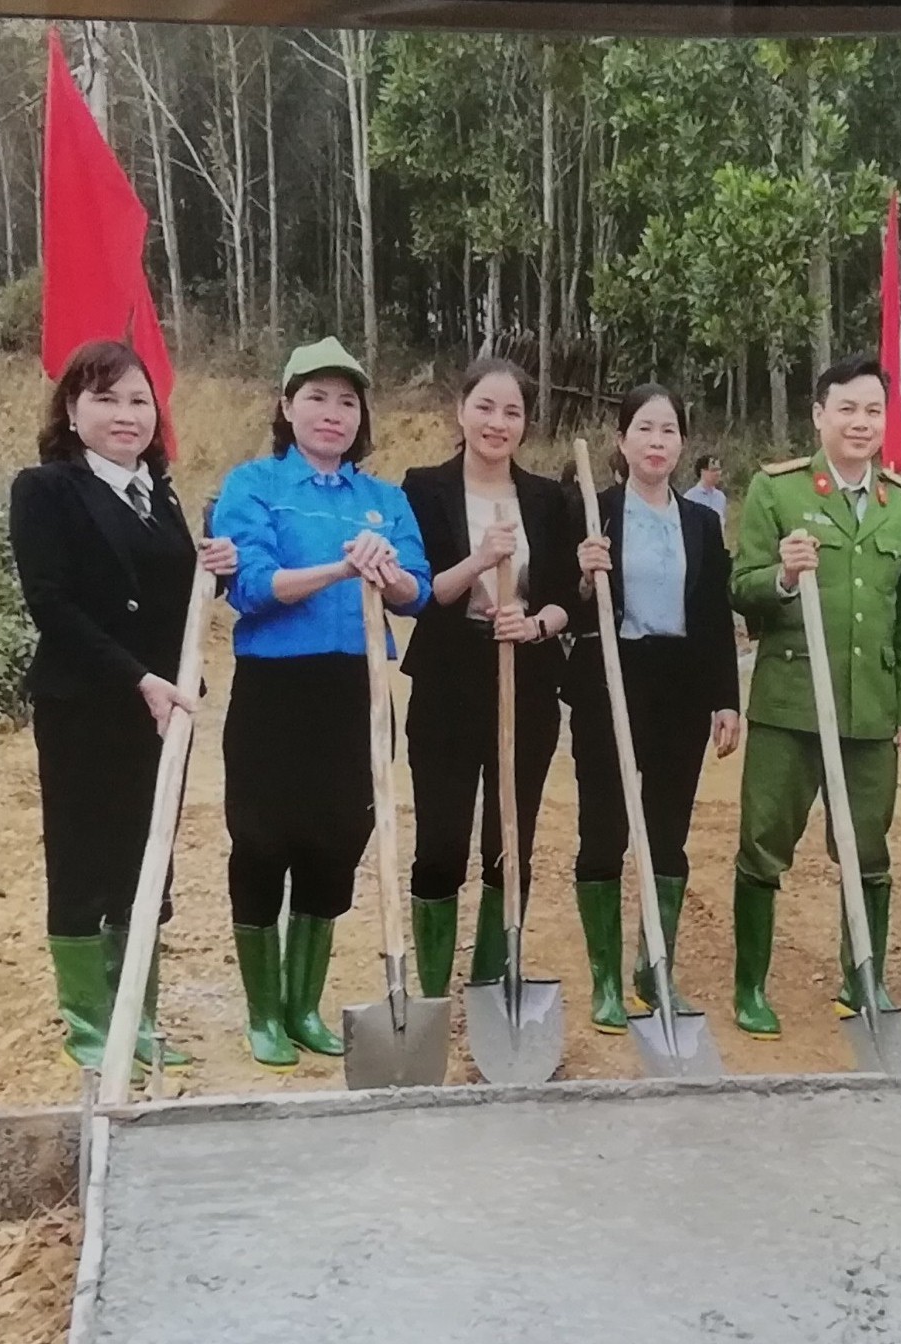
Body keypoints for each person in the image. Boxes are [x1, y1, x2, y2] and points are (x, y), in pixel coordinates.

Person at [9, 340, 235, 1073]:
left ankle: (137, 1013)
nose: (126, 415)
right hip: (86, 704)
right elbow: (52, 604)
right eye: (105, 399)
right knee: (83, 861)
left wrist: (213, 572)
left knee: (147, 861)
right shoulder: (45, 489)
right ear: (72, 412)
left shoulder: (159, 494)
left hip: (163, 712)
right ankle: (88, 1025)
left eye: (139, 400)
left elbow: (171, 598)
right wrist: (136, 677)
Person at [212, 337, 429, 1067]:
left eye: (346, 401)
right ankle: (264, 1013)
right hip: (276, 692)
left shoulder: (383, 501)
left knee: (337, 840)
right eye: (316, 398)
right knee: (261, 841)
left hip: (357, 691)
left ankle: (304, 1006)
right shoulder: (254, 486)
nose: (332, 413)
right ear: (286, 406)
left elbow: (417, 592)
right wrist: (340, 568)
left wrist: (387, 573)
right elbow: (250, 586)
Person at [729, 352, 901, 1039]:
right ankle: (750, 987)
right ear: (819, 415)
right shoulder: (779, 491)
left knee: (867, 849)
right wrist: (783, 577)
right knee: (764, 843)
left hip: (870, 709)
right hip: (789, 704)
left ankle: (863, 979)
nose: (861, 422)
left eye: (874, 410)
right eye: (847, 408)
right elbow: (741, 588)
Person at [563, 385, 742, 1031]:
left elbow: (715, 615)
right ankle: (606, 982)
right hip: (610, 681)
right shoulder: (594, 512)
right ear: (622, 439)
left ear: (682, 443)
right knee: (604, 830)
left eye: (668, 430)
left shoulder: (702, 522)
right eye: (644, 428)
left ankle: (654, 970)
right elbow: (565, 604)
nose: (656, 441)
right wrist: (583, 575)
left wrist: (726, 699)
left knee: (668, 834)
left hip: (681, 687)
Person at [399, 357, 578, 998]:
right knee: (440, 841)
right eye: (485, 407)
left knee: (510, 839)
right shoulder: (423, 489)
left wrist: (535, 624)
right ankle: (432, 989)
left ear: (526, 423)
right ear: (461, 410)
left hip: (525, 681)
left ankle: (490, 983)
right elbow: (420, 591)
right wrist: (480, 559)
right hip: (446, 681)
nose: (497, 423)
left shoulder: (547, 499)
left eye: (512, 412)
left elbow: (567, 597)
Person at [682, 453, 729, 527]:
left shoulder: (721, 497)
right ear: (702, 472)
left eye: (719, 469)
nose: (717, 473)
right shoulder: (690, 498)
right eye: (713, 470)